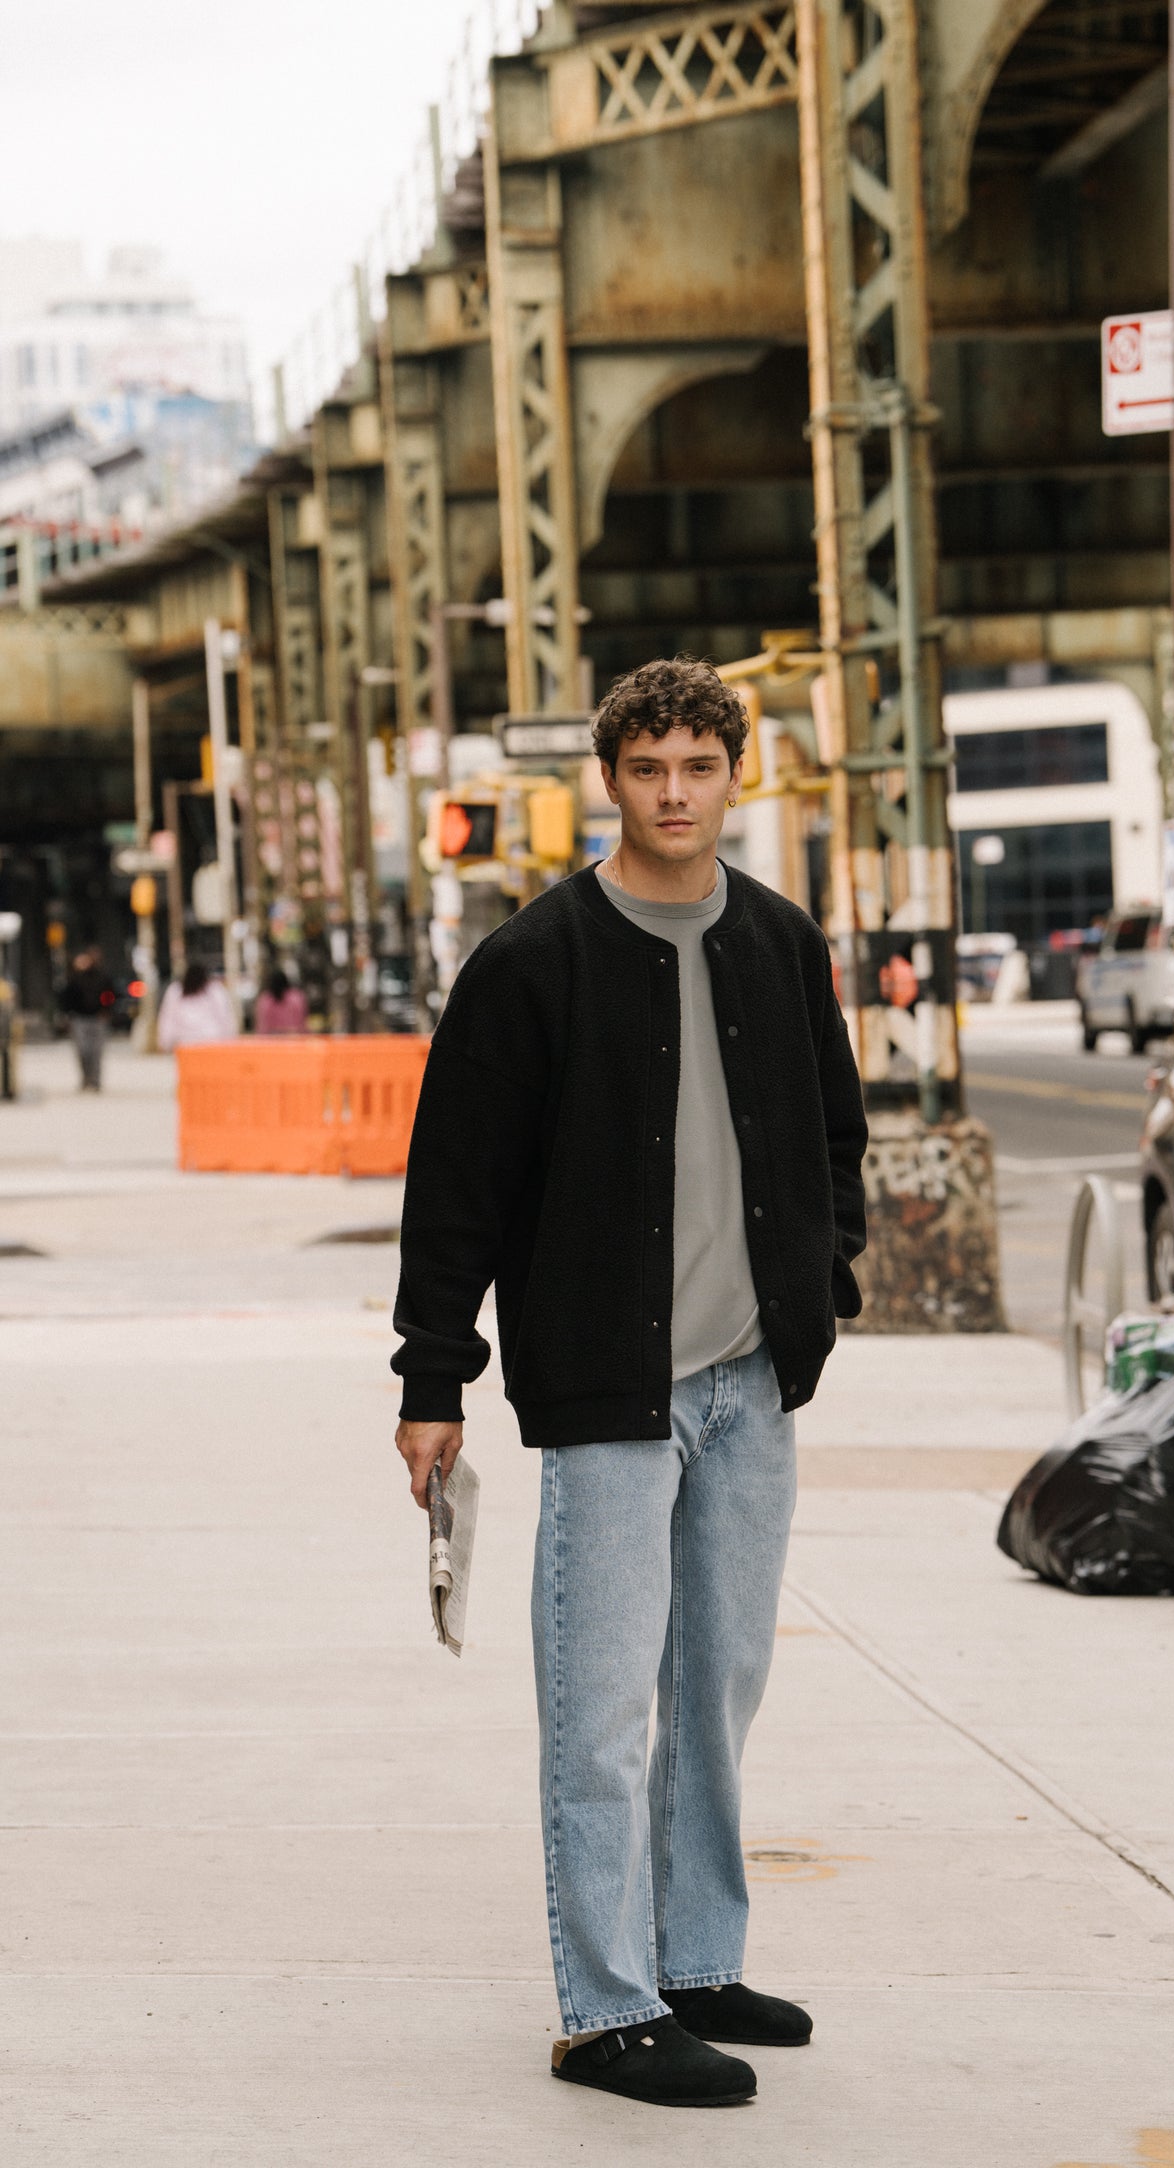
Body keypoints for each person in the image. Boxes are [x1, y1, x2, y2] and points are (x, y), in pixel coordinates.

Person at [392, 656, 868, 2111]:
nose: (674, 794)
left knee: (718, 1690)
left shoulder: (781, 943)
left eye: (699, 768)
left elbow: (837, 1134)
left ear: (738, 775)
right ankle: (606, 2008)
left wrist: (822, 1290)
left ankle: (696, 1958)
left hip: (747, 1384)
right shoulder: (533, 962)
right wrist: (435, 1374)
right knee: (600, 1707)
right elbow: (455, 1186)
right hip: (607, 1390)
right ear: (610, 779)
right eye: (648, 769)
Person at [59, 949, 112, 1091]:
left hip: (97, 1017)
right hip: (79, 1018)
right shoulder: (72, 979)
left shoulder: (101, 977)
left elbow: (109, 994)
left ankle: (95, 1080)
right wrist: (67, 1015)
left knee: (96, 1051)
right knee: (82, 1050)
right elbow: (65, 999)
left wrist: (106, 1010)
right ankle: (85, 1078)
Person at [157, 961, 236, 1051]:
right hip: (210, 1041)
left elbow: (167, 1017)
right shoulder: (215, 990)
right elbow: (224, 1016)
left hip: (186, 1043)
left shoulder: (175, 991)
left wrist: (164, 1041)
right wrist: (230, 1039)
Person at [254, 968, 309, 1036]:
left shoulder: (265, 1000)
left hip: (273, 1040)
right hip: (294, 1038)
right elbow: (302, 1023)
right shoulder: (297, 998)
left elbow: (262, 1027)